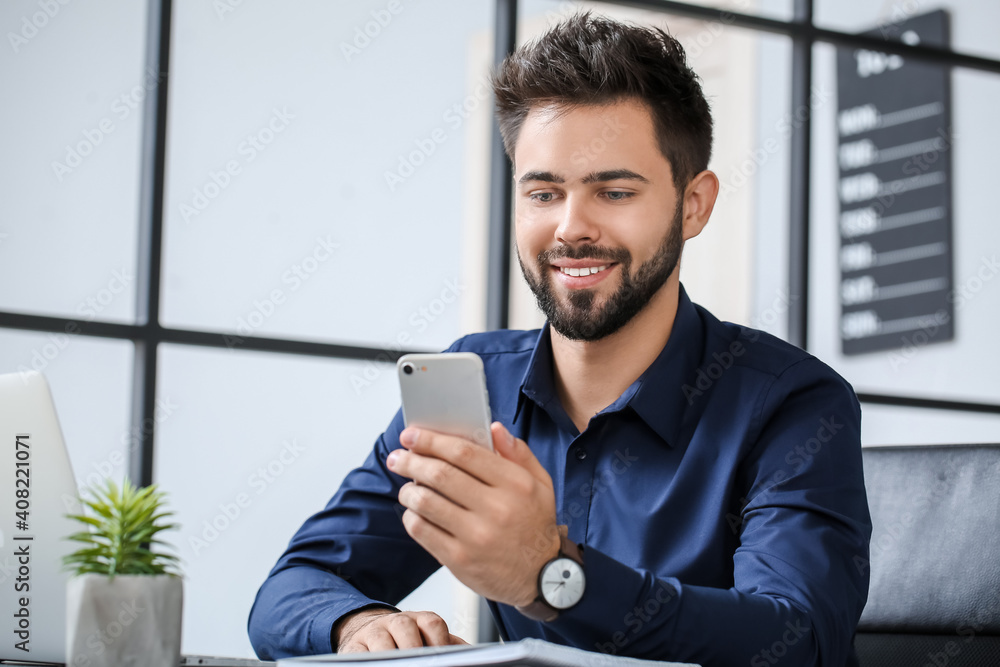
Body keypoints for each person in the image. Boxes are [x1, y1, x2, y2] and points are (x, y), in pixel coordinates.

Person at [248, 12, 871, 666]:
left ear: (694, 204)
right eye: (544, 192)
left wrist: (552, 575)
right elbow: (286, 594)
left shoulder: (793, 403)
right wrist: (355, 622)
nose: (571, 228)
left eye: (614, 190)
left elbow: (797, 640)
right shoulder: (476, 383)